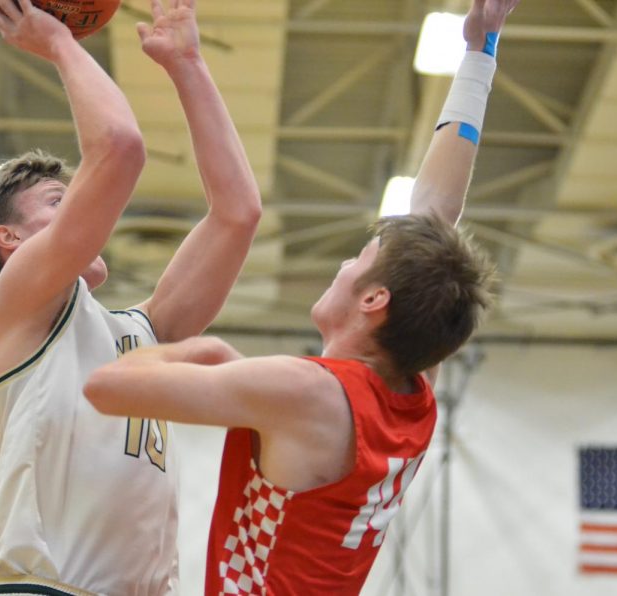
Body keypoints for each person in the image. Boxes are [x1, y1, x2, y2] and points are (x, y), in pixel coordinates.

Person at [85, 0, 517, 593]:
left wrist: (195, 350)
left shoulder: (306, 390)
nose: (345, 262)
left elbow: (105, 387)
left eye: (359, 259)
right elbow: (437, 212)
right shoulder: (411, 395)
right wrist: (479, 50)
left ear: (374, 300)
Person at [0, 0, 261, 594]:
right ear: (10, 240)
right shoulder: (17, 306)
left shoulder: (140, 335)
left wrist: (189, 65)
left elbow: (237, 214)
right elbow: (120, 145)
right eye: (57, 201)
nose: (80, 208)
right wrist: (59, 43)